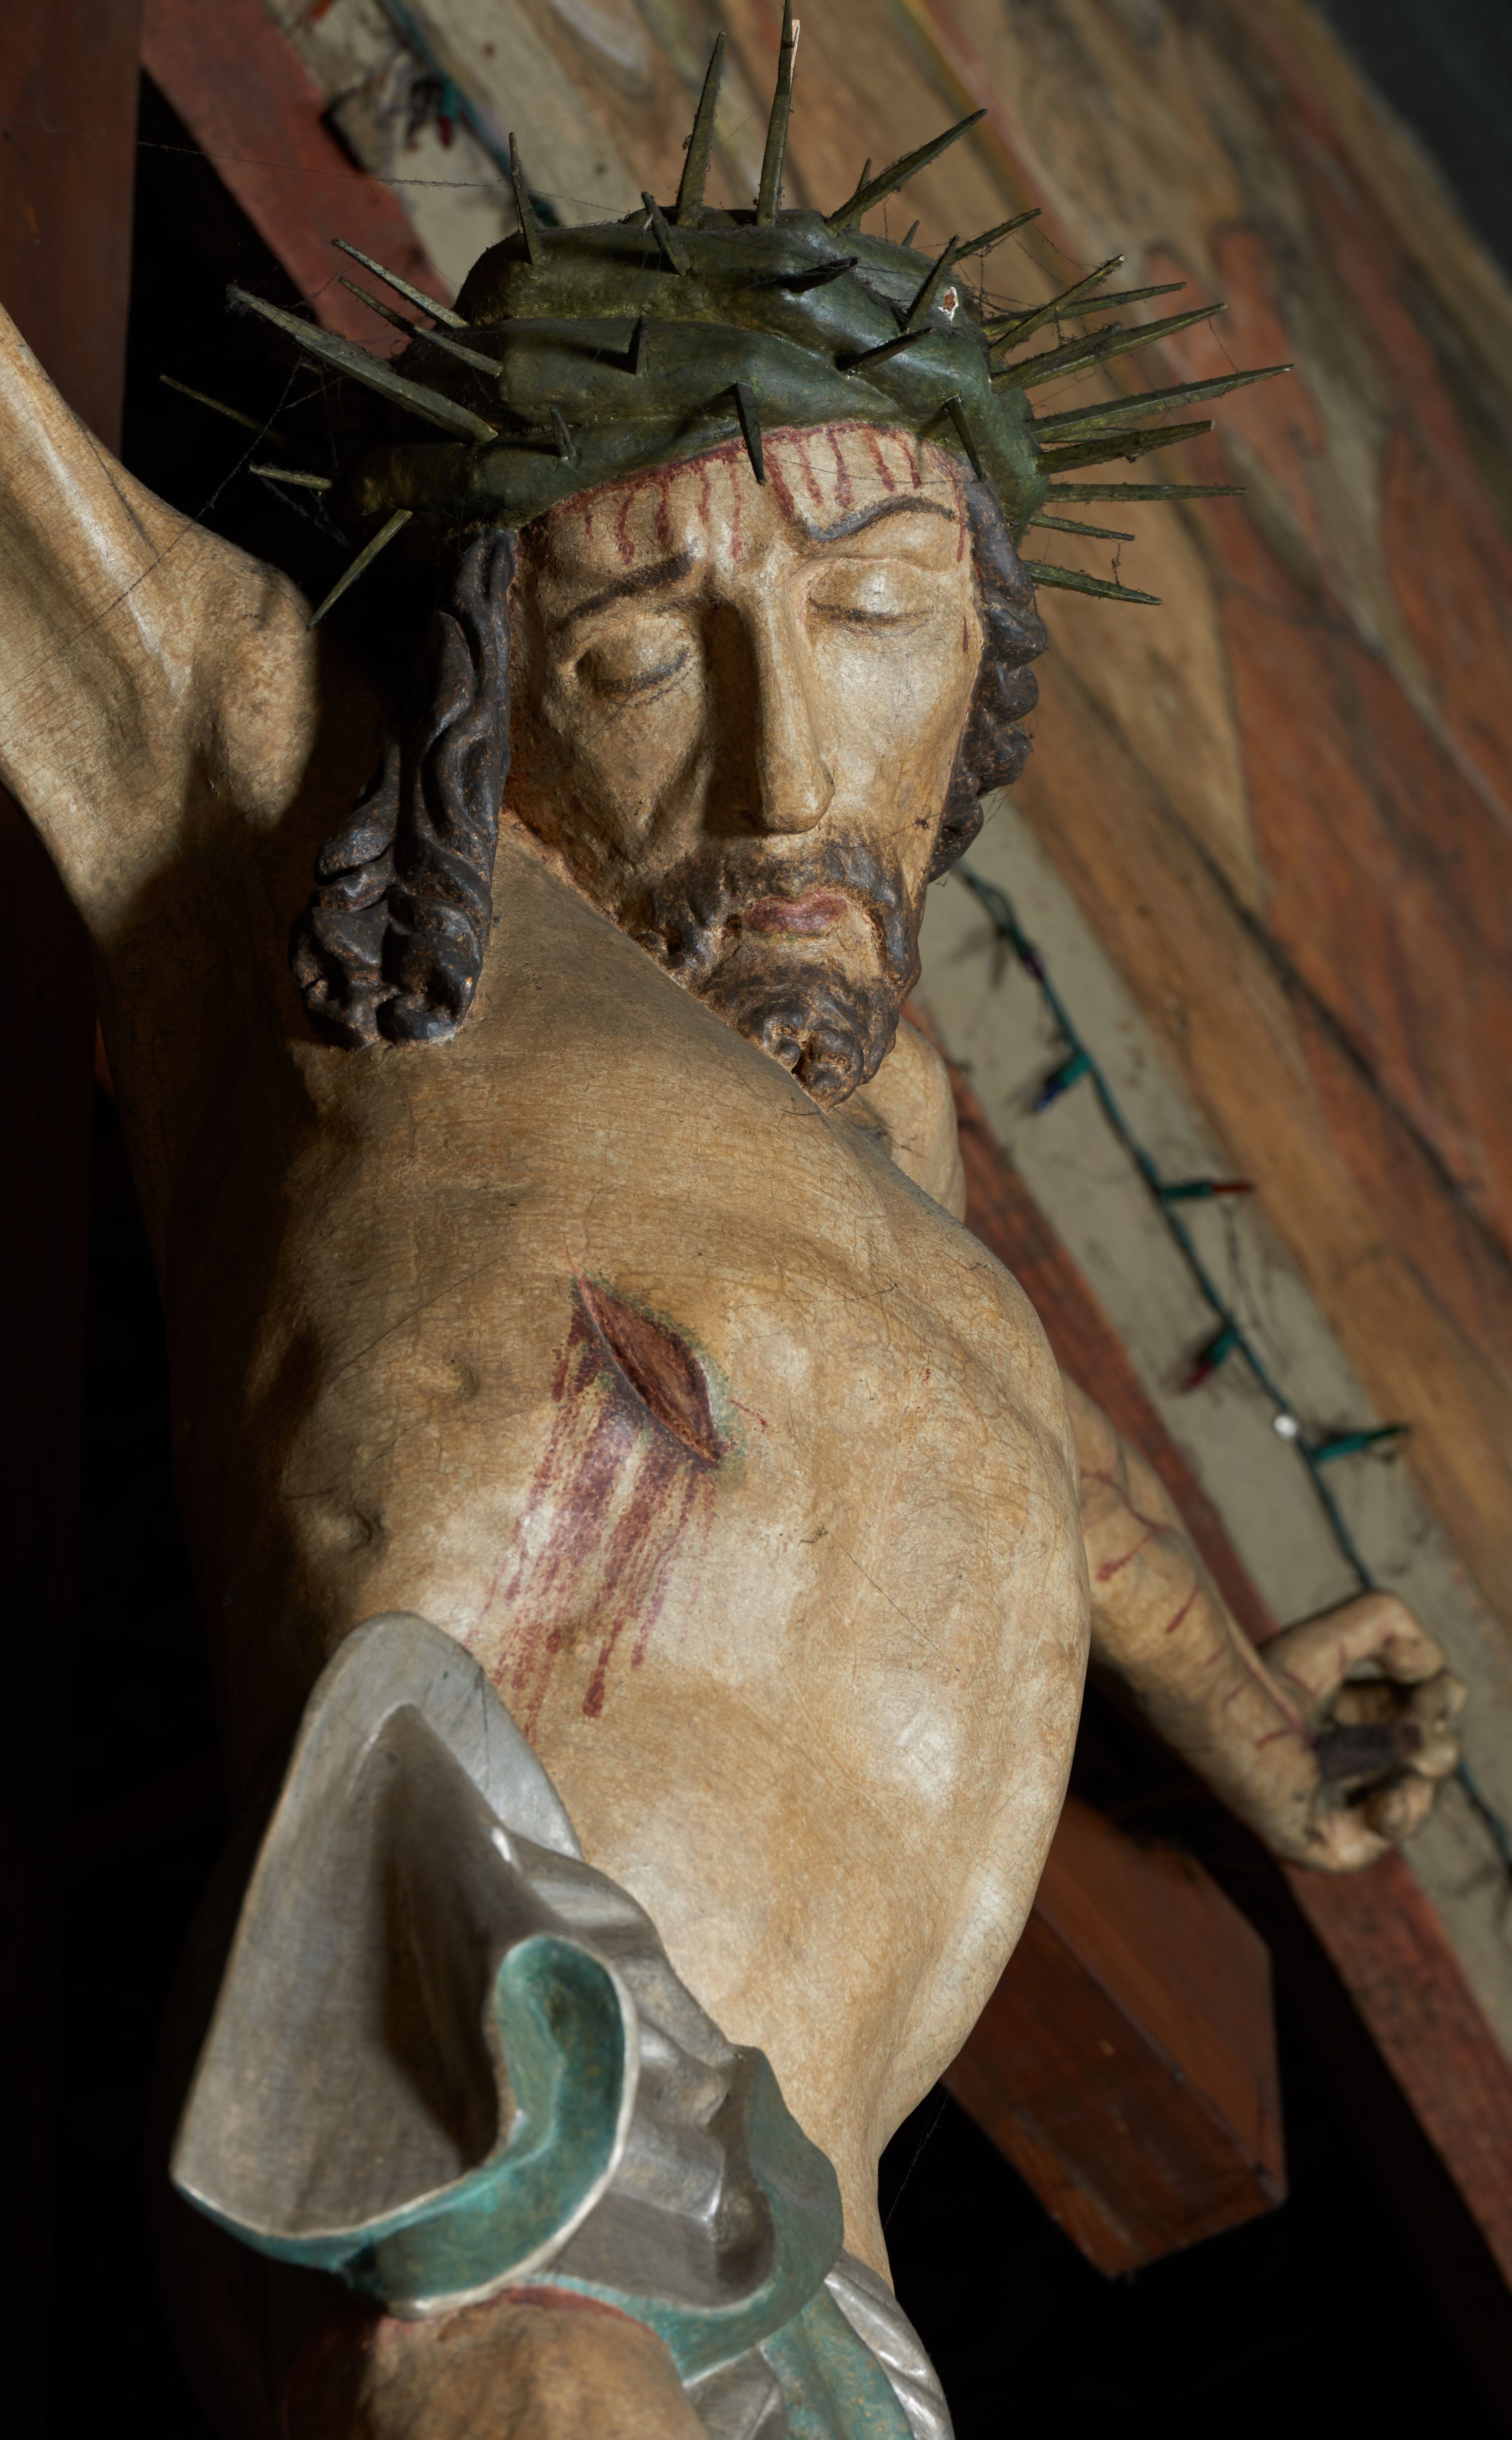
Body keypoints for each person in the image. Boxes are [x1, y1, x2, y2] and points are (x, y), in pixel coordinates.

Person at [0, 31, 1463, 2439]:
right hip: (498, 2104)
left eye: (877, 612)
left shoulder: (897, 1145)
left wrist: (1256, 1714)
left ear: (987, 653)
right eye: (643, 654)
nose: (792, 771)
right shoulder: (331, 836)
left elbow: (1032, 1456)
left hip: (812, 2278)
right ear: (488, 690)